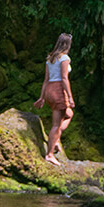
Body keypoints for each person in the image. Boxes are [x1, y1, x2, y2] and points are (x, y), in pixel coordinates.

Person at [34, 32, 75, 165]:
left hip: (49, 90)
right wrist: (70, 96)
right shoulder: (64, 58)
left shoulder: (50, 58)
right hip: (58, 90)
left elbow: (46, 80)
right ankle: (50, 154)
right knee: (56, 125)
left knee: (69, 114)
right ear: (67, 45)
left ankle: (56, 139)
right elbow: (64, 78)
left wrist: (42, 97)